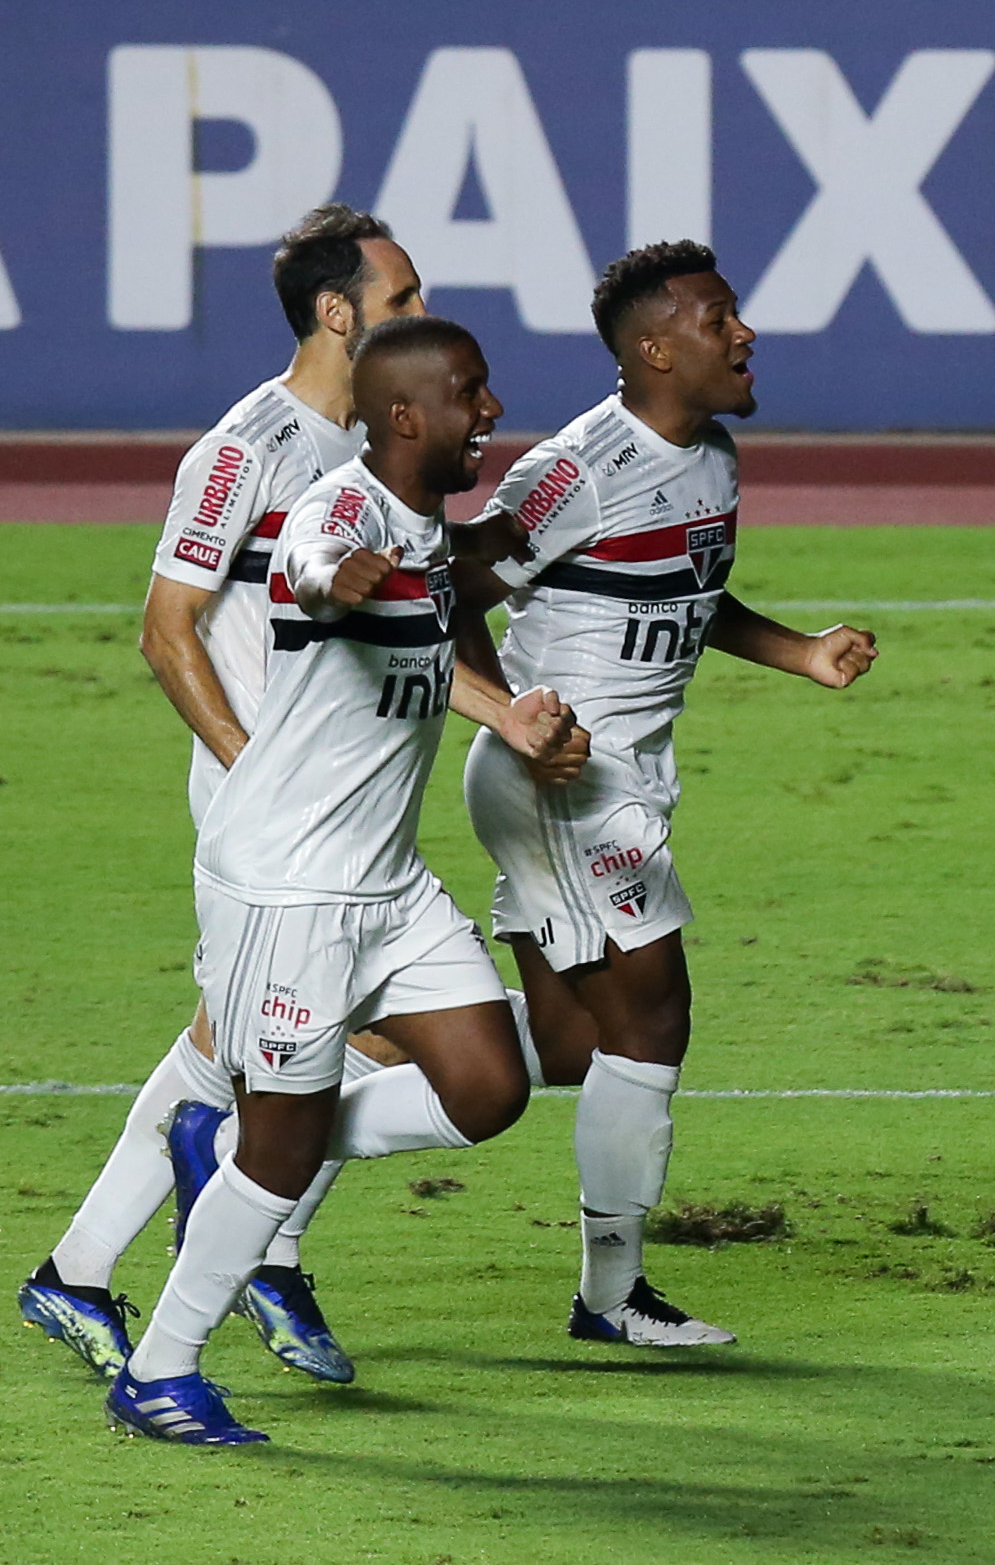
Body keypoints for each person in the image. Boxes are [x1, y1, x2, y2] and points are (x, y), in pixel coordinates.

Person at [21, 206, 569, 1388]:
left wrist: (506, 702)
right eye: (404, 297)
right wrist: (247, 765)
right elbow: (168, 634)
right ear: (339, 311)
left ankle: (111, 1264)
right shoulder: (245, 451)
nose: (421, 314)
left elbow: (427, 613)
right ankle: (211, 1254)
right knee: (277, 1059)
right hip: (271, 814)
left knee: (262, 1057)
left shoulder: (389, 456)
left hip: (354, 802)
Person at [461, 241, 878, 1347]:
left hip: (617, 777)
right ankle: (611, 1295)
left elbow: (690, 592)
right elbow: (454, 583)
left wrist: (803, 652)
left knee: (556, 1049)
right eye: (717, 319)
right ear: (653, 349)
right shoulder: (578, 467)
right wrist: (511, 714)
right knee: (655, 1016)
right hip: (565, 778)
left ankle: (294, 1121)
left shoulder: (714, 458)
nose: (742, 334)